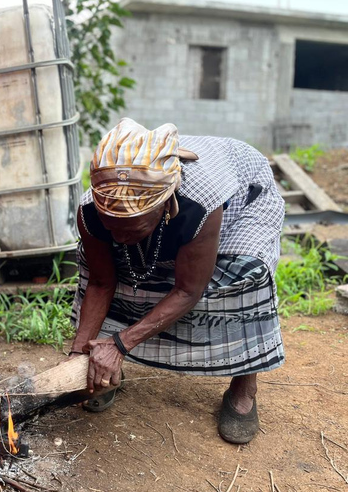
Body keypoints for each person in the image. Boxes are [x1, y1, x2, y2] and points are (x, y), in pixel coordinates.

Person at [69, 118, 285, 444]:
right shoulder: (93, 208)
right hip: (177, 213)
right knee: (126, 265)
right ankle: (103, 373)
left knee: (241, 278)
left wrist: (120, 343)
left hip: (244, 195)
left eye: (131, 228)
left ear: (165, 205)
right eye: (110, 225)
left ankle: (244, 386)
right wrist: (78, 356)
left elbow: (188, 289)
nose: (118, 235)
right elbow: (101, 282)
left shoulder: (198, 202)